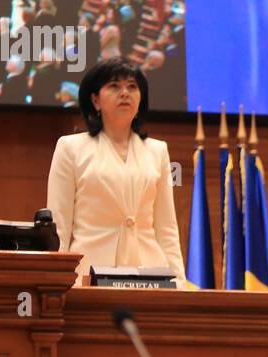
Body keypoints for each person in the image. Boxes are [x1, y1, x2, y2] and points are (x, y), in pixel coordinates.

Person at [46, 59, 184, 286]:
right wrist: (55, 282)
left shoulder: (158, 151)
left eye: (132, 87)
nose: (125, 93)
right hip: (88, 275)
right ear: (95, 100)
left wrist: (179, 282)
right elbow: (58, 226)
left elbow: (166, 227)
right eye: (114, 86)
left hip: (152, 276)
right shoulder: (70, 147)